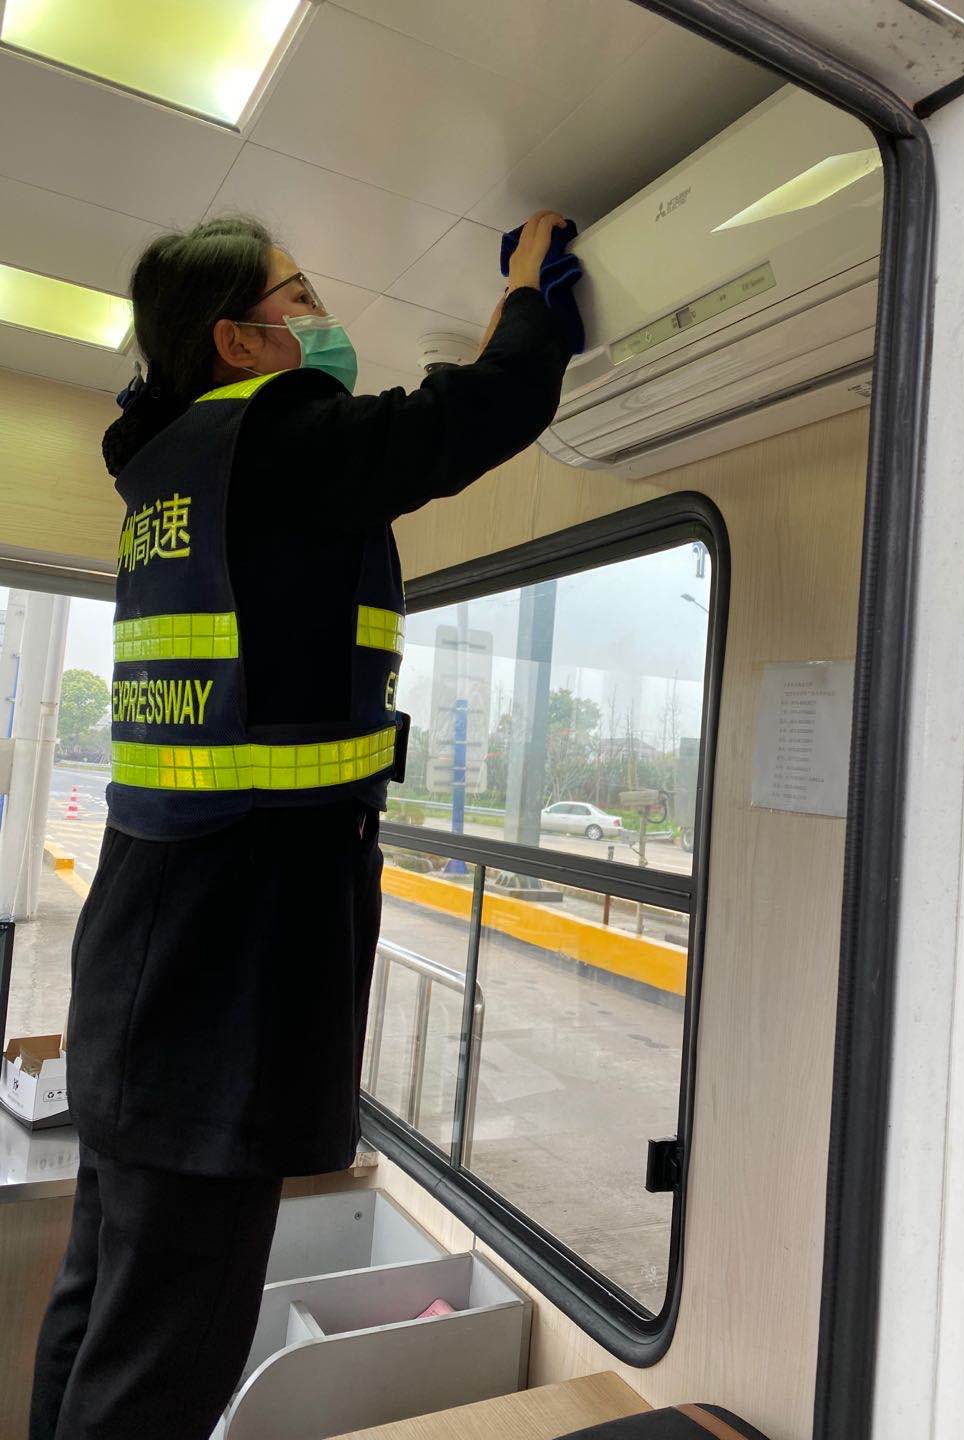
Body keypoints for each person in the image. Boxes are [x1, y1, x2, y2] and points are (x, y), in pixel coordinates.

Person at [28, 208, 575, 1440]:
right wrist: (530, 292)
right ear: (235, 340)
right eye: (300, 296)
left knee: (103, 1314)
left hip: (143, 966)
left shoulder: (169, 467)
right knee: (166, 1360)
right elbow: (473, 413)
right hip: (228, 974)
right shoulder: (271, 441)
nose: (322, 318)